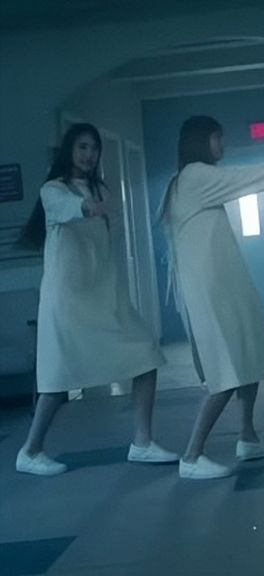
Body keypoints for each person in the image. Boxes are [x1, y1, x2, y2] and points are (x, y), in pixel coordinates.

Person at [161, 116, 264, 479]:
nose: (224, 144)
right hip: (211, 292)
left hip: (223, 286)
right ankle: (192, 455)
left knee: (248, 357)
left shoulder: (188, 180)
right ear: (201, 141)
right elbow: (244, 180)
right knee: (227, 373)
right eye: (218, 138)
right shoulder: (195, 177)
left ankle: (248, 437)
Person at [16, 123, 176, 476]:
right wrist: (92, 207)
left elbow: (104, 235)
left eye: (94, 149)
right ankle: (30, 450)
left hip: (103, 298)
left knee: (146, 357)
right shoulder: (52, 191)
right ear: (69, 151)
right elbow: (79, 208)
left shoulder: (103, 188)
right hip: (67, 301)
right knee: (57, 384)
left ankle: (143, 442)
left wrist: (101, 205)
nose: (89, 155)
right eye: (82, 148)